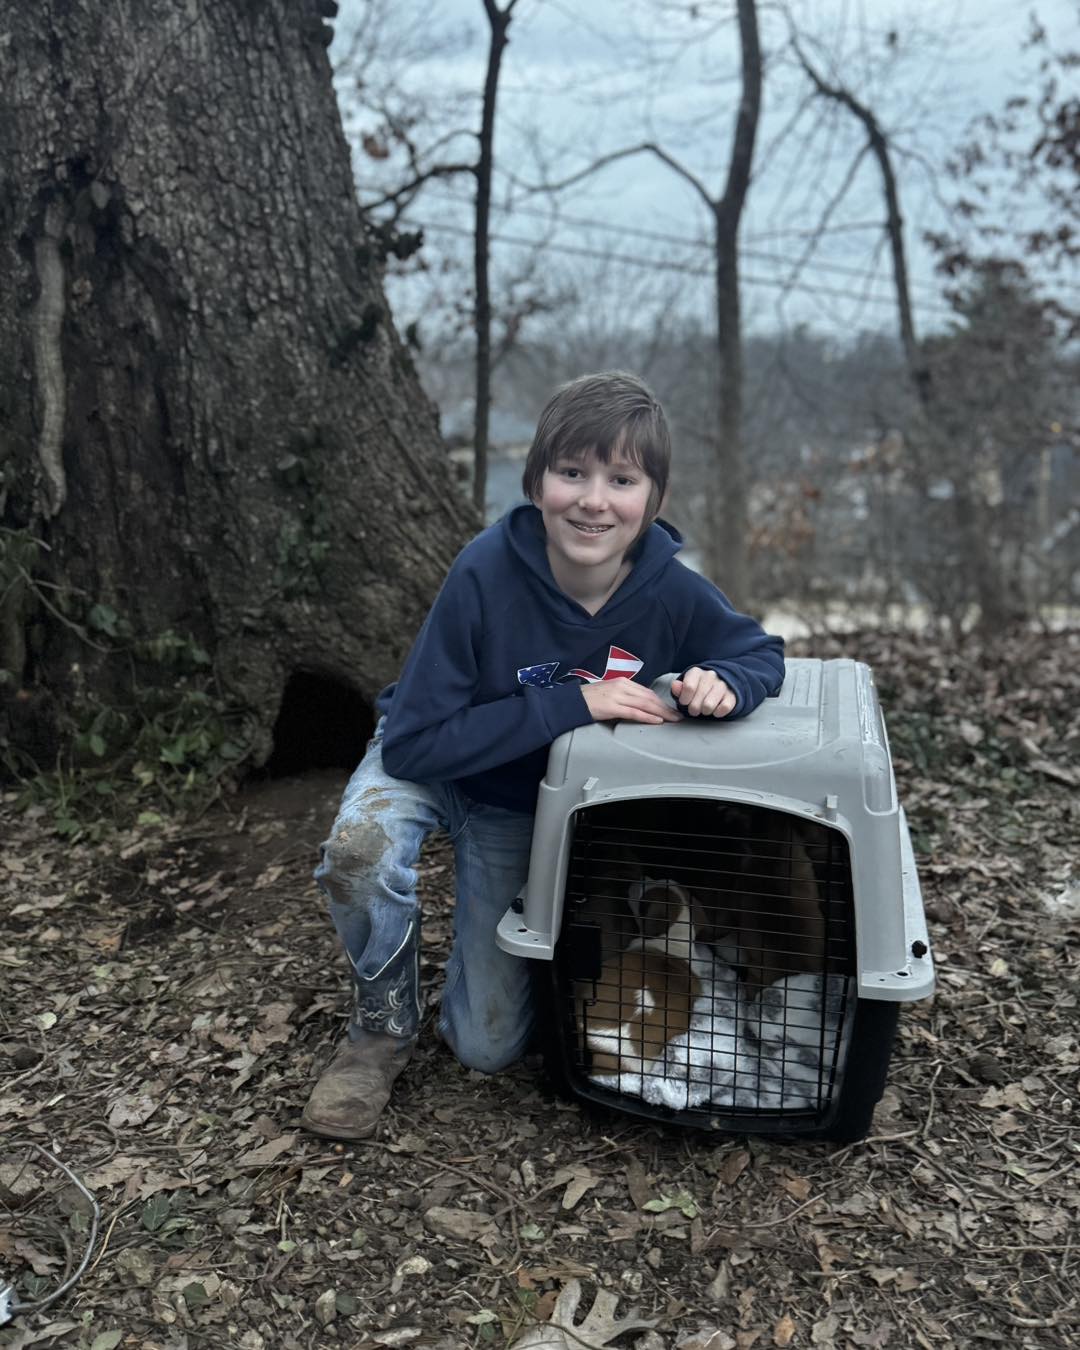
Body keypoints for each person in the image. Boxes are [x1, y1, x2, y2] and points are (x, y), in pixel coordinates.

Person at [300, 371, 785, 1139]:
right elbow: (420, 737)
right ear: (537, 483)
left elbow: (758, 649)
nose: (594, 500)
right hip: (426, 764)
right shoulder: (485, 572)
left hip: (513, 801)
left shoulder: (666, 591)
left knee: (486, 1048)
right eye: (572, 473)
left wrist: (723, 680)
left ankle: (468, 978)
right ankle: (378, 1031)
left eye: (621, 480)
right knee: (360, 853)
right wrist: (572, 702)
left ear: (652, 500)